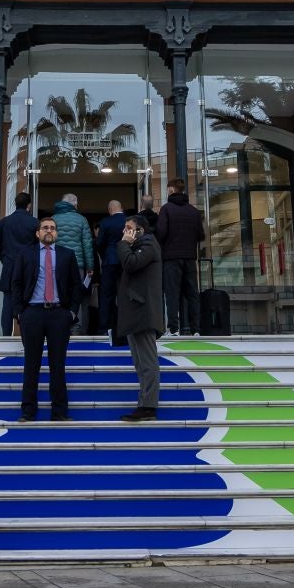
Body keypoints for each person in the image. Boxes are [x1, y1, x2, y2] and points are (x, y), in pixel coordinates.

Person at [7, 214, 81, 422]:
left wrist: (72, 312)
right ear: (38, 233)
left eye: (53, 228)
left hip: (59, 315)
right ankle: (28, 411)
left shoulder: (68, 255)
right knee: (32, 364)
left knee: (58, 365)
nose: (49, 230)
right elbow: (16, 283)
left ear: (56, 233)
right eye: (45, 227)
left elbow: (76, 285)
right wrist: (19, 311)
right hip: (32, 314)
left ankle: (59, 412)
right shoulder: (25, 254)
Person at [116, 217, 165, 422]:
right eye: (124, 229)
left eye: (129, 228)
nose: (125, 232)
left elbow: (130, 263)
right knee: (139, 362)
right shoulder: (138, 245)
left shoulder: (148, 245)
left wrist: (124, 244)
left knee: (147, 362)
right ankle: (144, 403)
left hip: (144, 313)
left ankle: (148, 405)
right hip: (136, 313)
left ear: (140, 230)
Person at [155, 178, 205, 336]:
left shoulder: (166, 209)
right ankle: (196, 328)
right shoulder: (193, 211)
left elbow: (161, 232)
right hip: (190, 257)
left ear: (171, 189)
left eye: (168, 187)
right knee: (192, 293)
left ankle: (173, 328)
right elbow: (200, 235)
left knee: (172, 293)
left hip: (171, 257)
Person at [0, 191, 38, 337]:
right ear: (29, 205)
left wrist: (6, 259)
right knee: (28, 301)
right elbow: (37, 248)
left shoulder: (4, 222)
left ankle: (6, 336)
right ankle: (27, 336)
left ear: (15, 204)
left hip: (9, 266)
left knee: (7, 304)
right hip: (28, 268)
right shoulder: (34, 223)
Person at [94, 199, 129, 343]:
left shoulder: (105, 222)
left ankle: (104, 327)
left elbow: (99, 244)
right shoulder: (129, 221)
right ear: (121, 208)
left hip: (110, 261)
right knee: (125, 295)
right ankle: (125, 325)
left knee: (106, 295)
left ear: (110, 209)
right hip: (126, 261)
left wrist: (105, 255)